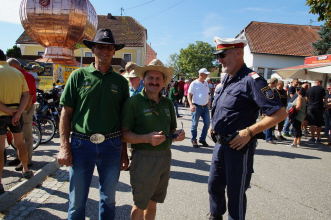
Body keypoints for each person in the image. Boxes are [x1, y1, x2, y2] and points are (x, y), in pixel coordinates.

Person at [208, 37, 286, 220]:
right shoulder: (227, 79)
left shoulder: (254, 80)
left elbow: (280, 113)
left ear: (238, 52)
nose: (219, 60)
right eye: (218, 56)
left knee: (235, 193)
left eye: (222, 55)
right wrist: (213, 125)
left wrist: (250, 131)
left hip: (238, 147)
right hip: (220, 144)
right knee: (214, 186)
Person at [57, 29, 129, 220]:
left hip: (111, 146)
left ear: (114, 51)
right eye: (100, 47)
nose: (105, 51)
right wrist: (64, 146)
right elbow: (66, 113)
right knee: (76, 201)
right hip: (81, 145)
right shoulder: (78, 76)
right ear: (93, 50)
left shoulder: (121, 82)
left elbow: (123, 119)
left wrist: (124, 151)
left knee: (108, 200)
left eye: (109, 48)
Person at [122, 59, 185, 220]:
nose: (154, 82)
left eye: (158, 79)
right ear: (144, 79)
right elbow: (123, 134)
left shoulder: (168, 104)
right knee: (139, 204)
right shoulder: (133, 102)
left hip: (164, 157)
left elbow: (171, 130)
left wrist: (177, 135)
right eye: (151, 78)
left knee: (153, 203)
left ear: (164, 82)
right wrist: (146, 138)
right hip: (143, 158)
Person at [0, 49, 34, 194]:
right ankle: (26, 169)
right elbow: (26, 95)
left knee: (0, 148)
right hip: (16, 114)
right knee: (20, 143)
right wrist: (18, 112)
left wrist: (7, 111)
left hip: (1, 114)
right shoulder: (17, 73)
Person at [7, 58, 36, 170]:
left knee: (26, 136)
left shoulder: (25, 76)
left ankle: (27, 161)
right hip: (17, 108)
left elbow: (30, 95)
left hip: (24, 108)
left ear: (14, 66)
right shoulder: (17, 75)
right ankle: (20, 158)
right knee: (18, 136)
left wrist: (23, 110)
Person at [188, 68, 211, 148]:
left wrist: (208, 102)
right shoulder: (194, 83)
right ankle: (194, 139)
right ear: (201, 74)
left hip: (205, 107)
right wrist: (191, 104)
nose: (207, 75)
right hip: (196, 106)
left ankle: (202, 139)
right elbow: (189, 95)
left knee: (207, 123)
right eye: (206, 74)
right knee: (195, 124)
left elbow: (207, 93)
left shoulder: (206, 83)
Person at [263, 78, 278, 144]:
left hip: (272, 108)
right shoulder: (266, 89)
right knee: (269, 123)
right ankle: (268, 138)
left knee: (269, 123)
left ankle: (266, 136)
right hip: (268, 108)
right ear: (274, 83)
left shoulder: (274, 90)